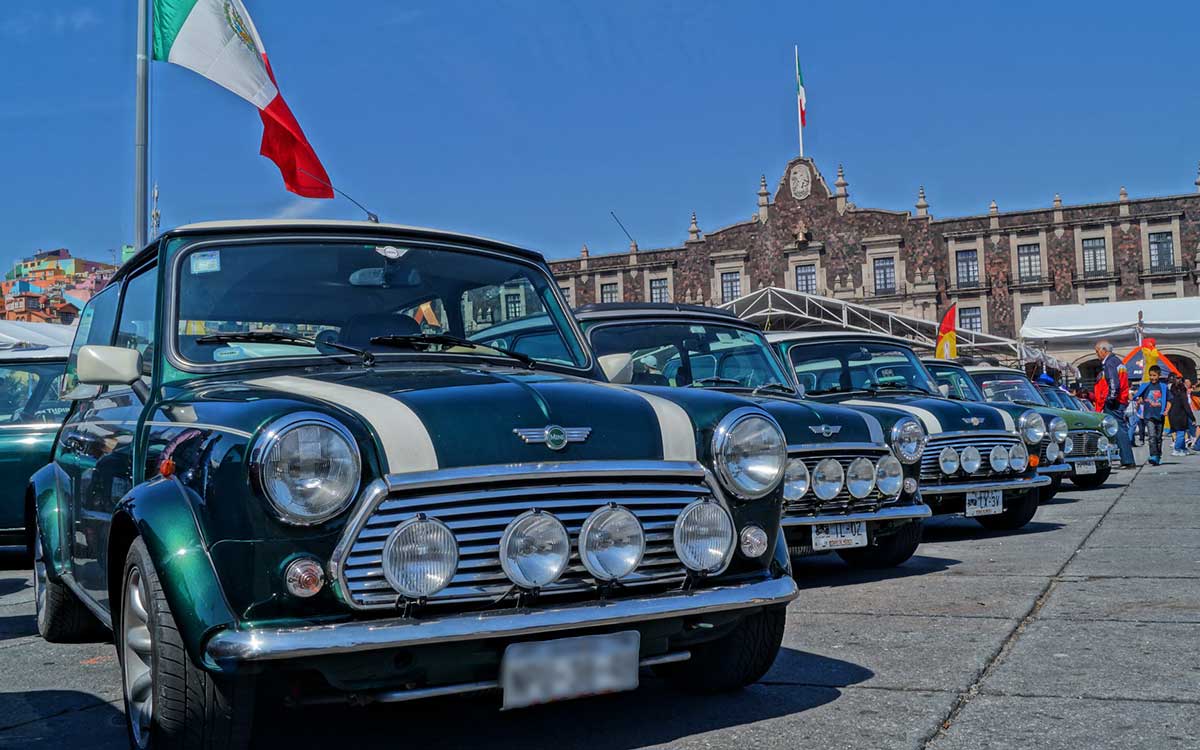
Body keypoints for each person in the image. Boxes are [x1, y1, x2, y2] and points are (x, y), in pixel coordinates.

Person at [1091, 339, 1136, 467]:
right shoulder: (1118, 362)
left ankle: (1127, 460)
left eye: (1097, 351)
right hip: (1121, 399)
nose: (1097, 354)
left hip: (1115, 401)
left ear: (1104, 350)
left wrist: (1110, 398)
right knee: (1119, 429)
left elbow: (1113, 382)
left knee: (1118, 430)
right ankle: (1125, 458)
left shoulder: (1109, 362)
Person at [1134, 365, 1168, 465]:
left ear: (1159, 375)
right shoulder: (1145, 386)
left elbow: (1169, 400)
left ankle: (1158, 455)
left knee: (1158, 437)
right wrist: (1138, 399)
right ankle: (1153, 455)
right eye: (1151, 375)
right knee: (1152, 436)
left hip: (1160, 415)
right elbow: (1138, 396)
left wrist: (1167, 410)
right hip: (1149, 416)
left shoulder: (1163, 387)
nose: (1152, 377)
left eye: (1154, 375)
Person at [1167, 377, 1193, 457]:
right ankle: (1177, 449)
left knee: (1179, 432)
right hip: (1181, 416)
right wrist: (1192, 417)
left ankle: (1183, 448)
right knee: (1181, 433)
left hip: (1172, 415)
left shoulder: (1171, 396)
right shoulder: (1182, 396)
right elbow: (1186, 406)